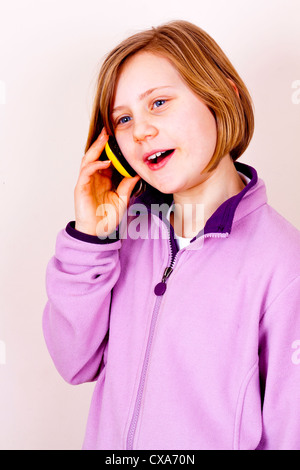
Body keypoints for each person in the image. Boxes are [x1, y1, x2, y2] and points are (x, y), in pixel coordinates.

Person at [43, 20, 300, 450]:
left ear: (221, 96)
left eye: (158, 103)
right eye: (123, 119)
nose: (140, 130)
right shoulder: (123, 234)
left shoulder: (283, 262)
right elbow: (73, 362)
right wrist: (92, 239)